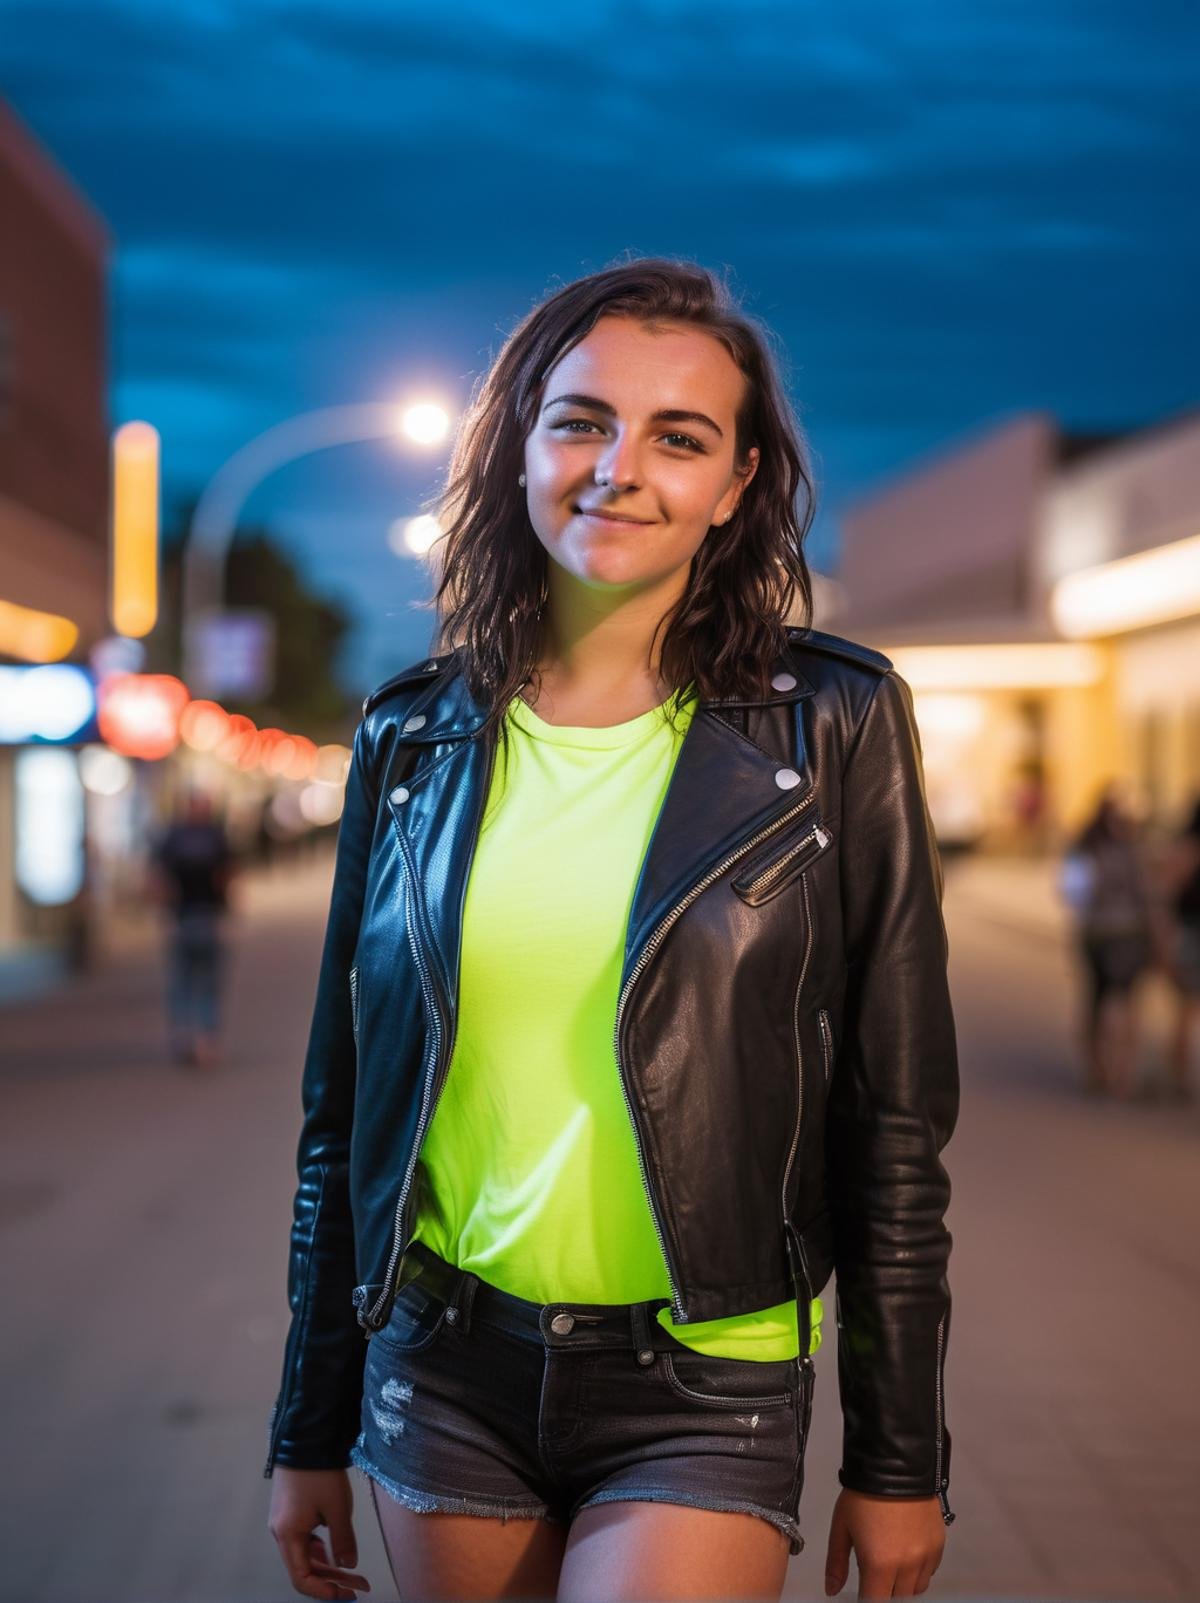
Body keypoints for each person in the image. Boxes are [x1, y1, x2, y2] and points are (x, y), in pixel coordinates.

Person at [265, 258, 959, 1603]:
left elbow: (897, 1129)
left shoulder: (835, 724)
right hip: (444, 1356)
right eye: (581, 418)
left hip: (709, 1371)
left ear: (738, 482)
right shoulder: (413, 736)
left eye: (678, 435)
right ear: (521, 439)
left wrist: (901, 1451)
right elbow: (341, 1116)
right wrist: (307, 1425)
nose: (617, 465)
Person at [1058, 782, 1160, 1099]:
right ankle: (1121, 1076)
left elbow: (1071, 894)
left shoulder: (1084, 849)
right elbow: (1147, 896)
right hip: (1125, 933)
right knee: (1125, 1004)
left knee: (1097, 1001)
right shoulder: (1132, 848)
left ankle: (1098, 1071)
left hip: (1096, 932)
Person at [151, 786, 236, 1067]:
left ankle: (191, 1038)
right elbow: (226, 877)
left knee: (188, 981)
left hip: (194, 917)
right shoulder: (215, 836)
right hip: (196, 917)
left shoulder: (174, 837)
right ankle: (200, 1039)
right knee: (199, 981)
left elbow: (160, 879)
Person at [1160, 796, 1200, 1101]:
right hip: (1193, 932)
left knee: (1186, 1009)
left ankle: (1179, 1077)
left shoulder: (1188, 846)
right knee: (1187, 1007)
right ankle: (1179, 1078)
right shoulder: (1190, 847)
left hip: (1191, 931)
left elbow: (1169, 886)